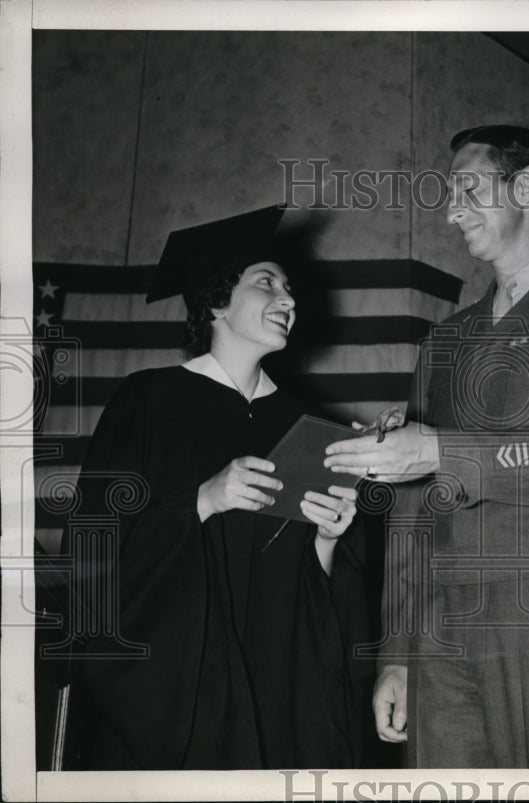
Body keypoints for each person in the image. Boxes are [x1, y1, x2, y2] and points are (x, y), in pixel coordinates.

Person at [324, 125, 529, 767]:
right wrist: (398, 652)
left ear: (527, 186)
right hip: (443, 628)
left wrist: (443, 452)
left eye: (468, 188)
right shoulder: (444, 340)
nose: (451, 211)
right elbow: (413, 514)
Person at [61, 205, 368, 770]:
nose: (289, 299)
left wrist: (326, 540)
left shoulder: (302, 426)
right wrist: (202, 501)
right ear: (217, 302)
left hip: (277, 686)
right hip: (179, 685)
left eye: (291, 289)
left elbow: (312, 590)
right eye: (267, 282)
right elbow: (92, 546)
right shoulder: (148, 400)